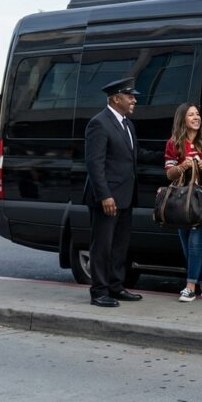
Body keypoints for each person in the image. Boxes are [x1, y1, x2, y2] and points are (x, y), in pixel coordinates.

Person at [82, 78, 147, 308]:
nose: (134, 100)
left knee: (120, 246)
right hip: (107, 198)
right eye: (130, 96)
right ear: (116, 98)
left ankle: (115, 286)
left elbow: (135, 155)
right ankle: (99, 291)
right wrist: (105, 195)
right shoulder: (99, 123)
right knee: (102, 246)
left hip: (125, 196)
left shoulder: (128, 124)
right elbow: (94, 164)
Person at [164, 103, 202, 302]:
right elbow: (169, 174)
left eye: (197, 114)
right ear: (183, 119)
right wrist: (182, 166)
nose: (196, 117)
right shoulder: (173, 143)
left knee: (196, 242)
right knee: (186, 244)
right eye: (191, 115)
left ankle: (190, 286)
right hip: (182, 202)